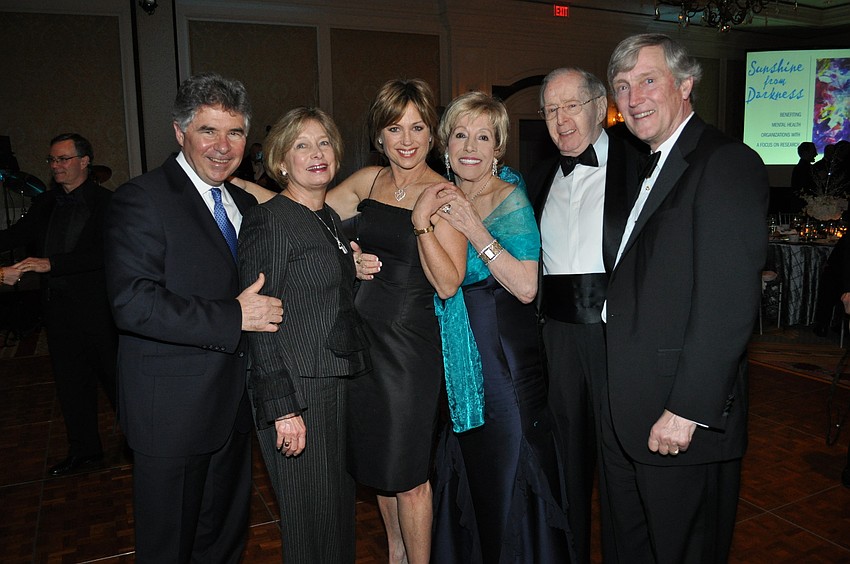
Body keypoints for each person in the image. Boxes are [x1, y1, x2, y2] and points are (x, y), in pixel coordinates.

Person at [233, 78, 466, 564]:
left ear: (432, 135)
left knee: (409, 475)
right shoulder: (369, 180)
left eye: (418, 127)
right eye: (394, 128)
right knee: (378, 468)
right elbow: (304, 208)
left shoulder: (444, 193)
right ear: (379, 135)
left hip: (408, 350)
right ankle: (395, 557)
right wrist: (225, 180)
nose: (406, 139)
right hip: (357, 350)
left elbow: (448, 284)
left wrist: (421, 222)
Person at [602, 34, 769, 562]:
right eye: (623, 87)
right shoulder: (651, 165)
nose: (633, 99)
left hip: (678, 419)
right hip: (632, 412)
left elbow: (728, 303)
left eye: (648, 81)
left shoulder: (725, 161)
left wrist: (687, 409)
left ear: (687, 84)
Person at [104, 73, 283, 563]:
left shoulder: (245, 203)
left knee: (223, 542)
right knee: (169, 548)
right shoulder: (141, 199)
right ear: (180, 132)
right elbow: (132, 302)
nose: (223, 147)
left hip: (233, 410)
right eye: (208, 131)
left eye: (235, 133)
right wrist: (233, 316)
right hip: (172, 413)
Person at [418, 91, 573, 563]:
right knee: (472, 471)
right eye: (461, 134)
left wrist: (475, 229)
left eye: (483, 136)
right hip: (461, 359)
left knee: (507, 472)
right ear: (446, 144)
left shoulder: (510, 198)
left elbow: (527, 286)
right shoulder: (441, 195)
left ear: (497, 147)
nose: (471, 146)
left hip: (504, 363)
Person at [239, 107, 370, 563]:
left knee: (336, 514)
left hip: (333, 381)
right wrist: (282, 409)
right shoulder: (270, 220)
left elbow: (319, 294)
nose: (317, 154)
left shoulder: (327, 218)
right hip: (297, 391)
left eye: (325, 143)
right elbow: (258, 321)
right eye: (302, 145)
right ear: (280, 162)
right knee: (309, 523)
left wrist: (353, 269)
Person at [526, 67, 641, 562]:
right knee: (567, 466)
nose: (561, 119)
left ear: (600, 107)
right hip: (558, 340)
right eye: (551, 109)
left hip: (620, 339)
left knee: (621, 466)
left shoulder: (640, 166)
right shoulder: (536, 176)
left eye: (572, 105)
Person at [0, 133, 117, 477]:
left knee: (117, 381)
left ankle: (143, 447)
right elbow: (15, 237)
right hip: (58, 309)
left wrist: (52, 264)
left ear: (85, 161)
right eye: (52, 160)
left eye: (64, 159)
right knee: (70, 384)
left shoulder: (108, 203)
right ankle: (85, 451)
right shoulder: (46, 203)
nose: (56, 166)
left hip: (98, 310)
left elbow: (105, 254)